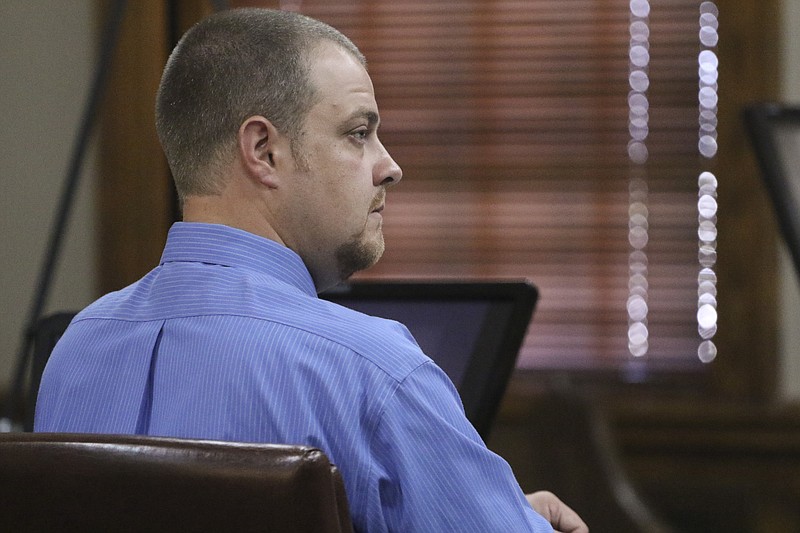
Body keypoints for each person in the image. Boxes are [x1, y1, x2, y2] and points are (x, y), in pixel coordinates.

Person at [35, 8, 587, 533]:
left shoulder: (76, 350)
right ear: (263, 150)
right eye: (357, 132)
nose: (389, 166)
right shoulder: (372, 371)